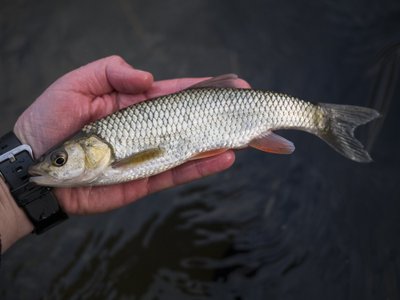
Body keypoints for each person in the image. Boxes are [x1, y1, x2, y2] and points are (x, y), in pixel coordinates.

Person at [0, 56, 250, 254]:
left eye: (59, 160)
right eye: (59, 160)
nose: (54, 165)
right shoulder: (94, 146)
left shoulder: (109, 154)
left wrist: (10, 196)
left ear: (91, 146)